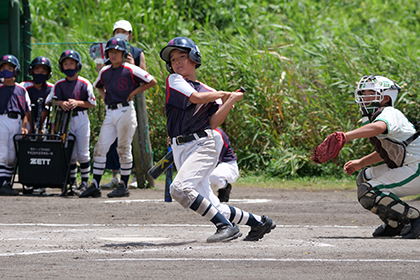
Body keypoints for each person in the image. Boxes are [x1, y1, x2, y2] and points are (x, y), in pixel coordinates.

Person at [159, 37, 276, 243]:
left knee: (179, 189)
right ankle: (259, 222)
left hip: (202, 145)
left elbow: (212, 123)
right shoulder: (175, 80)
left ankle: (224, 226)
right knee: (213, 205)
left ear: (195, 58)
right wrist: (223, 94)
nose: (177, 62)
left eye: (182, 57)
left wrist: (229, 101)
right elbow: (195, 98)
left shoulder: (209, 91)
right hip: (181, 148)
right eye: (173, 59)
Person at [343, 75, 420, 239]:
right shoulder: (376, 115)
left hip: (416, 167)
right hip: (408, 165)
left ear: (385, 98)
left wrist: (346, 136)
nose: (364, 96)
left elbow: (379, 127)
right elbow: (389, 151)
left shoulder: (390, 112)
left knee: (369, 191)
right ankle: (394, 224)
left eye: (370, 92)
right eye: (363, 93)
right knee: (364, 177)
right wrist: (361, 163)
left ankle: (415, 218)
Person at [80, 37, 157, 198]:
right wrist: (104, 96)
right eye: (111, 52)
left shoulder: (130, 68)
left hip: (125, 110)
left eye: (117, 52)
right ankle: (95, 184)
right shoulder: (105, 70)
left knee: (123, 147)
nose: (114, 55)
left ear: (123, 53)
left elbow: (151, 81)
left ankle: (123, 184)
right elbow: (98, 85)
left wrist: (133, 93)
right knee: (100, 148)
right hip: (110, 111)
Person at [99, 19, 147, 189]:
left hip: (132, 103)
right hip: (112, 103)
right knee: (112, 143)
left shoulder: (136, 52)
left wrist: (131, 65)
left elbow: (144, 76)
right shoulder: (109, 51)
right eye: (117, 30)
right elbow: (103, 76)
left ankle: (134, 175)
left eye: (124, 31)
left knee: (132, 141)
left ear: (130, 35)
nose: (121, 33)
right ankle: (114, 175)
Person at [46, 50, 96, 195]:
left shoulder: (84, 83)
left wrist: (78, 102)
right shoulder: (59, 84)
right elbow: (50, 101)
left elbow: (92, 103)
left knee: (83, 152)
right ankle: (72, 183)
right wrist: (61, 102)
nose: (69, 67)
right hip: (65, 119)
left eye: (71, 63)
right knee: (71, 153)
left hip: (80, 117)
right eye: (65, 64)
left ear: (77, 65)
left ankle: (84, 182)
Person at [0, 54, 31, 195]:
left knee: (12, 155)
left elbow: (26, 112)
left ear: (16, 71)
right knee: (2, 153)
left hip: (17, 121)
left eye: (10, 68)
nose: (6, 71)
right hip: (2, 119)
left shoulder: (21, 90)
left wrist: (24, 126)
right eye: (3, 68)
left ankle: (6, 183)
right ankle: (2, 184)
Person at [21, 56, 54, 133]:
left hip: (44, 123)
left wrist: (39, 127)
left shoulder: (51, 88)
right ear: (31, 71)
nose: (40, 73)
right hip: (26, 122)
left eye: (43, 71)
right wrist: (32, 126)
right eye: (37, 70)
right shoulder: (23, 86)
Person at [209, 127, 239, 202]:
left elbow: (216, 159)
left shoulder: (216, 133)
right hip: (210, 165)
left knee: (213, 177)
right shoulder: (194, 131)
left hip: (226, 165)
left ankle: (225, 188)